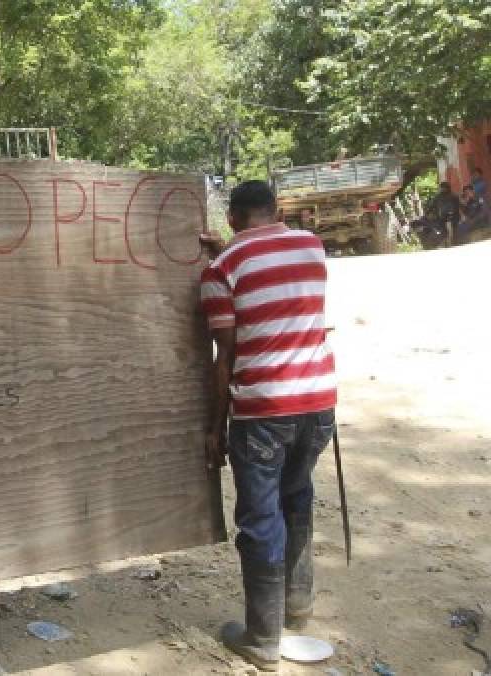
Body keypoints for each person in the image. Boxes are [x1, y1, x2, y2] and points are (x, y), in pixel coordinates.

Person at [198, 181, 337, 672]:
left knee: (259, 522)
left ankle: (262, 638)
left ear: (233, 218)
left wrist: (216, 427)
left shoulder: (221, 271)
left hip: (263, 411)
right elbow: (270, 272)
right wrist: (234, 251)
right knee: (296, 498)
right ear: (275, 211)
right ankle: (297, 606)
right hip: (318, 403)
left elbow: (226, 357)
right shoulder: (311, 246)